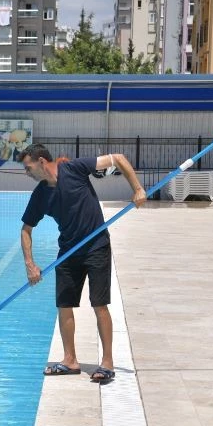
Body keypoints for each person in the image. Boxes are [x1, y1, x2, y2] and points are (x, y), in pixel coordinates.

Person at [19, 143, 146, 382]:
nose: (27, 173)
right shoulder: (40, 194)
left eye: (28, 168)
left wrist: (137, 188)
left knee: (99, 305)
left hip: (96, 246)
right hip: (68, 252)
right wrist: (30, 264)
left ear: (41, 162)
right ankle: (70, 360)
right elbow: (26, 230)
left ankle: (107, 363)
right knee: (64, 305)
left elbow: (118, 159)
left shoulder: (74, 169)